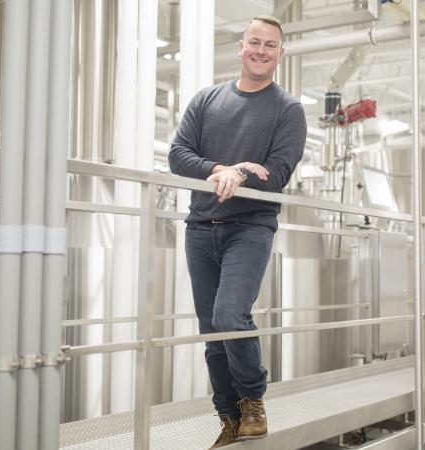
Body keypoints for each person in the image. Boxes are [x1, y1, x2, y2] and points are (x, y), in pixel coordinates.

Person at [167, 14, 306, 449]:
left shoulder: (288, 110)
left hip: (250, 227)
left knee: (231, 315)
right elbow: (177, 154)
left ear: (280, 55)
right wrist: (222, 168)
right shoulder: (206, 100)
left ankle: (252, 400)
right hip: (200, 227)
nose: (261, 50)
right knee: (212, 331)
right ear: (240, 47)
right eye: (254, 42)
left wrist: (244, 173)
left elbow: (278, 173)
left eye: (270, 45)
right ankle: (227, 417)